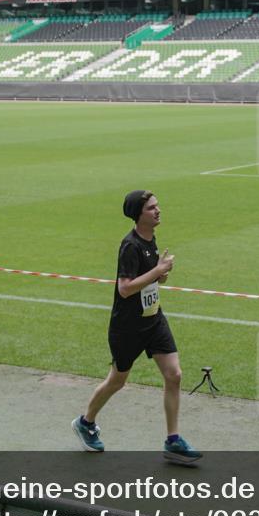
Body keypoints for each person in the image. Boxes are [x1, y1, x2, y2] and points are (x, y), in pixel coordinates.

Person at [72, 190, 201, 464]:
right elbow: (126, 288)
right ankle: (85, 422)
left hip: (153, 320)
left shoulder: (150, 239)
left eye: (158, 206)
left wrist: (160, 276)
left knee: (174, 375)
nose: (158, 211)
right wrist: (157, 271)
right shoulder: (129, 245)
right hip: (128, 327)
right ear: (138, 214)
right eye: (152, 208)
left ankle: (173, 440)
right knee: (117, 381)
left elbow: (147, 282)